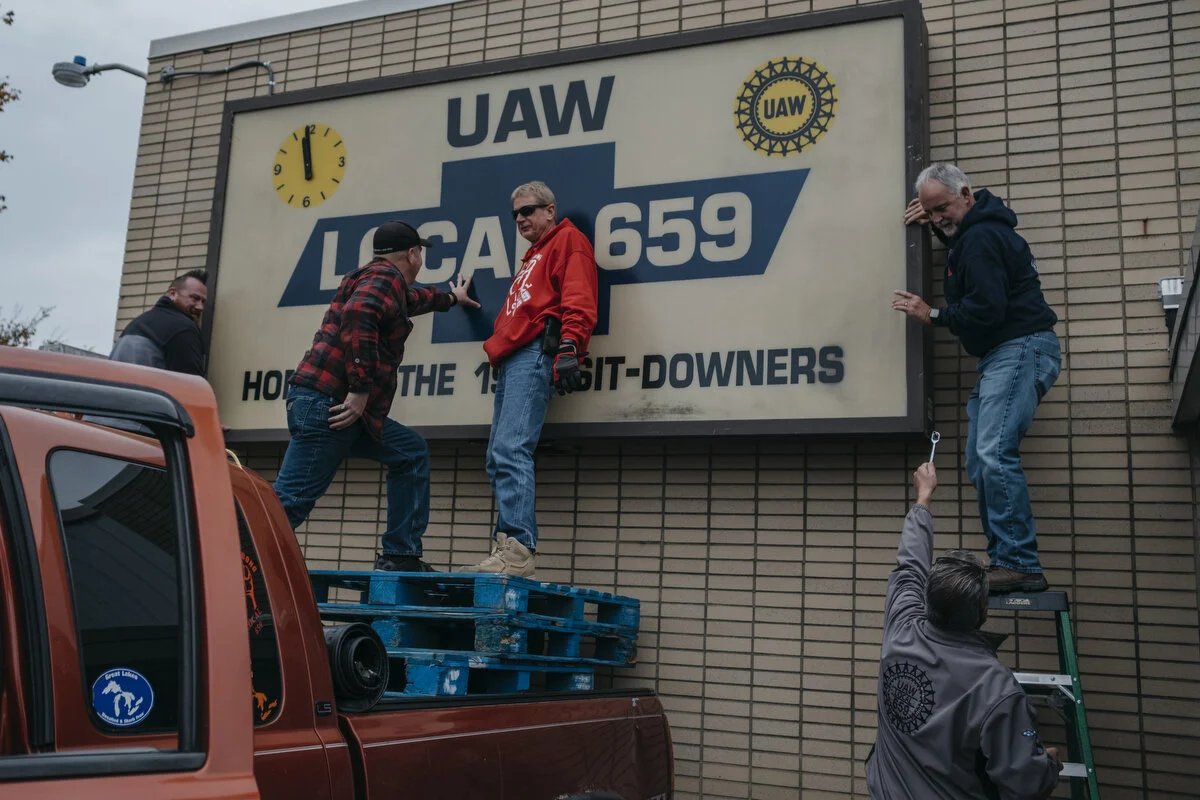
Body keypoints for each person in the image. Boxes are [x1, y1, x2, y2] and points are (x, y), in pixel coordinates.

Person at [272, 220, 479, 572]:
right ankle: (226, 562)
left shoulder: (374, 278)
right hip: (332, 407)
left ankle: (401, 555)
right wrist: (359, 390)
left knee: (410, 453)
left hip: (326, 405)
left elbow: (410, 301)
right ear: (413, 254)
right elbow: (360, 313)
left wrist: (450, 299)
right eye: (420, 253)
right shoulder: (384, 279)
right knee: (289, 504)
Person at [894, 163, 1061, 594]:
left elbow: (987, 309)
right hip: (1006, 354)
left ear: (966, 194)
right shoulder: (976, 233)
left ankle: (1018, 562)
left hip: (1018, 348)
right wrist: (936, 227)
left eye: (942, 209)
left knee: (992, 453)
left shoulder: (981, 239)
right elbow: (962, 247)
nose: (937, 219)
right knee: (980, 457)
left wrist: (930, 313)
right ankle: (1009, 559)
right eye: (930, 213)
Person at [866, 462, 1063, 800]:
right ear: (984, 612)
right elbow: (1025, 783)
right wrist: (1048, 766)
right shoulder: (994, 686)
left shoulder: (901, 628)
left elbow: (910, 564)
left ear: (927, 601)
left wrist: (923, 497)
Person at [465, 181, 598, 577]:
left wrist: (571, 346)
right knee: (498, 456)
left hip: (535, 351)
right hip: (511, 358)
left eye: (529, 210)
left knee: (510, 450)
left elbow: (579, 297)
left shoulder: (569, 241)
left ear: (550, 210)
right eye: (515, 214)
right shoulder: (533, 256)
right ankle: (508, 545)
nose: (521, 218)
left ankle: (519, 550)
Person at [108, 268, 209, 374]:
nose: (200, 307)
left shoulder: (137, 323)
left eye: (203, 301)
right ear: (173, 293)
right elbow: (191, 383)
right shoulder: (184, 328)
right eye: (195, 298)